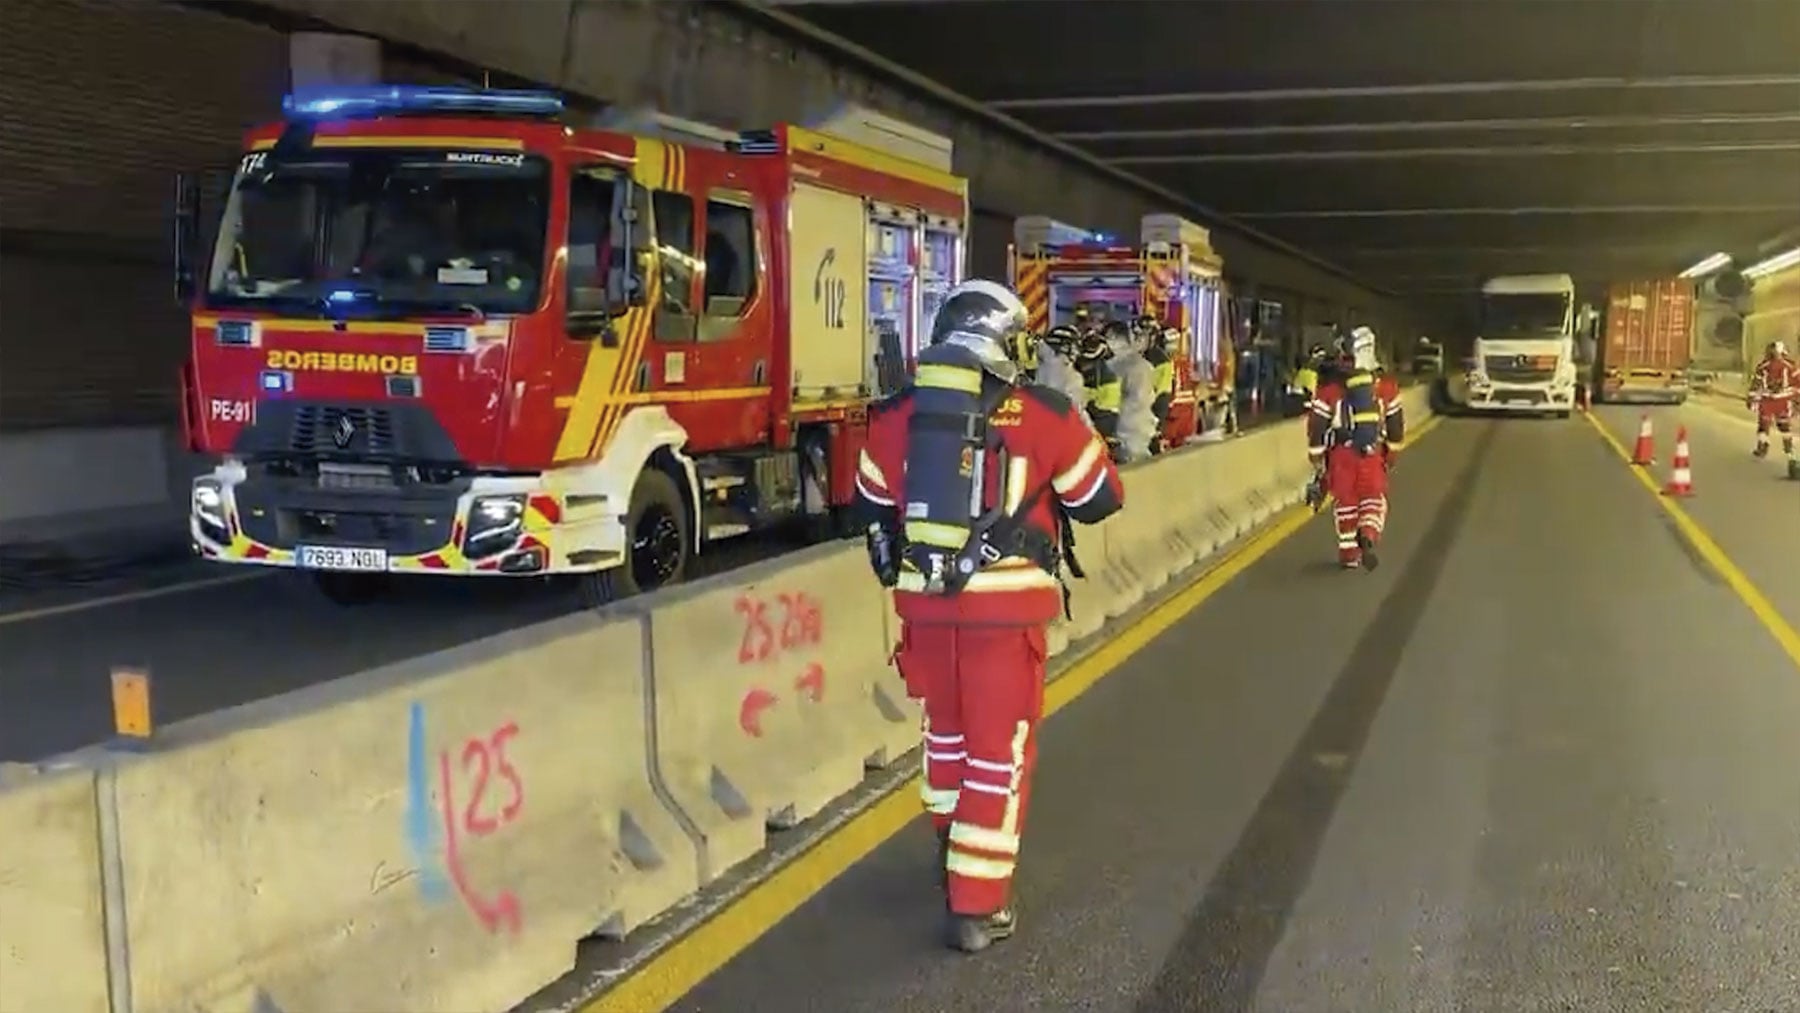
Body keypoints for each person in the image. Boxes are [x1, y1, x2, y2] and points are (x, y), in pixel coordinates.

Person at [855, 279, 1124, 953]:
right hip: (1002, 623)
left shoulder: (897, 415)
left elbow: (868, 499)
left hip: (925, 615)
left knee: (945, 738)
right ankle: (976, 906)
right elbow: (1099, 497)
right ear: (1007, 341)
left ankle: (952, 849)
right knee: (998, 760)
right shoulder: (1045, 412)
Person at [1306, 326, 1404, 570]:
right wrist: (1392, 452)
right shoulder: (1386, 387)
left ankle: (1349, 554)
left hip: (1340, 456)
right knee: (1373, 498)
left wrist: (1317, 455)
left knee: (1346, 502)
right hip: (1372, 453)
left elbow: (1317, 425)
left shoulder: (1329, 388)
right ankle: (1368, 534)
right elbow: (1395, 425)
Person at [1748, 339, 1798, 466]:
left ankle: (1764, 446)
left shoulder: (1763, 366)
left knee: (1765, 425)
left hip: (1770, 401)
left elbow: (1755, 384)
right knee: (1783, 427)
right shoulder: (1790, 366)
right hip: (1781, 400)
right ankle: (1789, 451)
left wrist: (1751, 398)